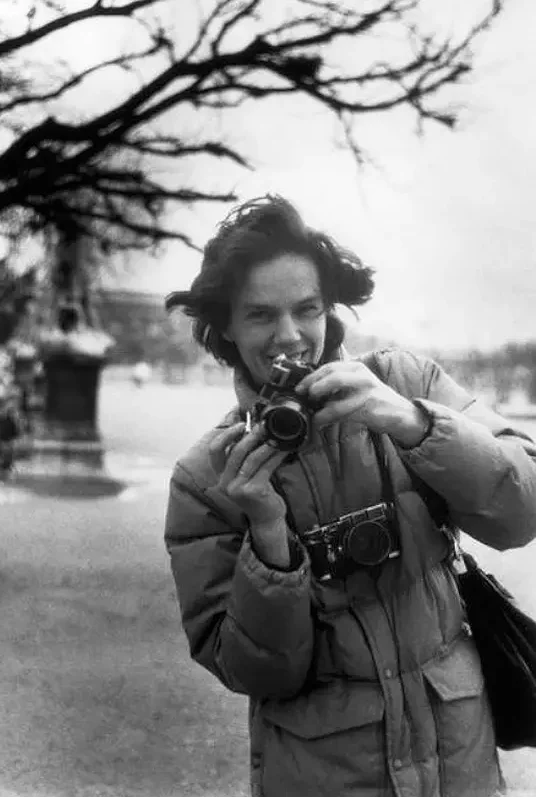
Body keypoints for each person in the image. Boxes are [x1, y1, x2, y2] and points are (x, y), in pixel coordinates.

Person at [163, 195, 536, 797]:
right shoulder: (207, 477)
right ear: (225, 325)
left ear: (329, 309)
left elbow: (522, 514)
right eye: (261, 315)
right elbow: (255, 671)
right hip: (325, 776)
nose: (290, 337)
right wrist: (267, 538)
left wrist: (414, 424)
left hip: (458, 757)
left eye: (307, 309)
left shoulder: (405, 384)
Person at [0, 394, 23, 481]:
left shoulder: (14, 416)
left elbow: (18, 429)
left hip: (10, 438)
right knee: (6, 457)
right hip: (6, 438)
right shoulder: (3, 416)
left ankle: (7, 472)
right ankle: (4, 473)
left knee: (9, 457)